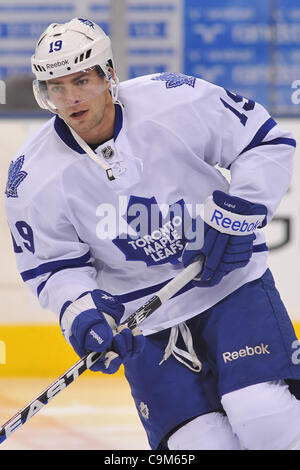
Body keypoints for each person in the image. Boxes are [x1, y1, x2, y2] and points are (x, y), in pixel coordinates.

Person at [5, 17, 300, 450]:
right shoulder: (31, 176)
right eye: (55, 87)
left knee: (261, 413)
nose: (69, 98)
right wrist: (83, 313)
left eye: (81, 80)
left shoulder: (174, 99)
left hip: (229, 288)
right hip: (144, 323)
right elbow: (52, 268)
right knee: (201, 444)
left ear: (108, 74)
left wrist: (240, 215)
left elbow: (265, 143)